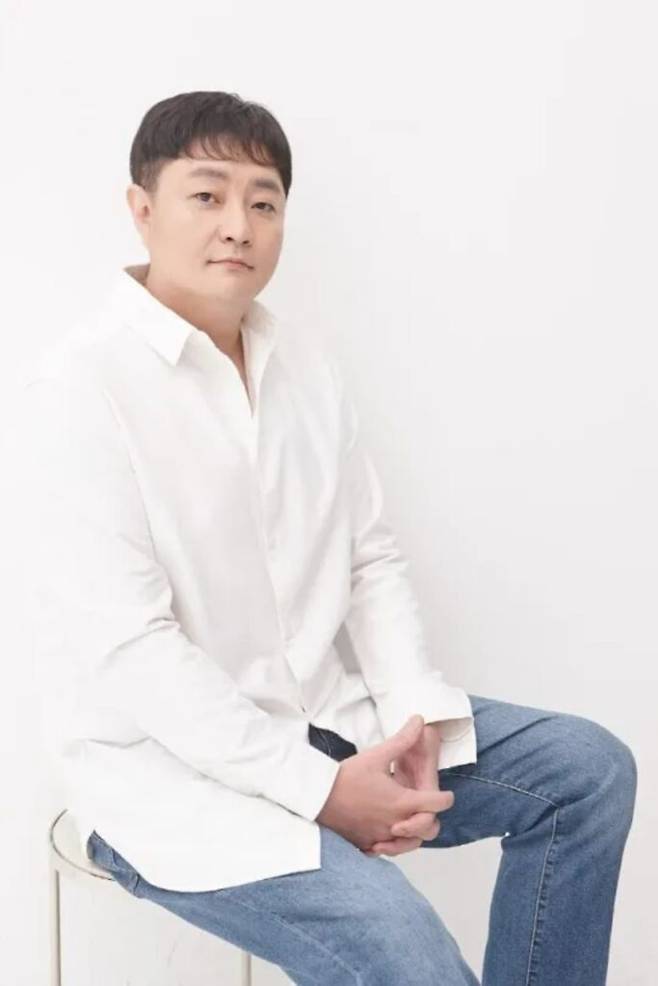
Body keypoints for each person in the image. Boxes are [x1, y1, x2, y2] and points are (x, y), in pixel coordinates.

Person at [15, 91, 637, 985]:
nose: (238, 225)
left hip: (328, 722)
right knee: (402, 942)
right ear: (142, 208)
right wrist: (320, 791)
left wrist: (414, 715)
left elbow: (369, 558)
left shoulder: (301, 365)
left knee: (585, 772)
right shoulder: (80, 390)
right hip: (171, 782)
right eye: (207, 195)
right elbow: (133, 651)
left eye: (263, 202)